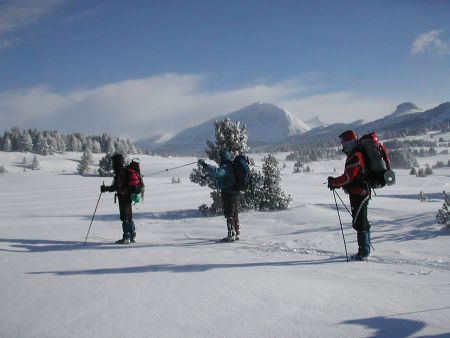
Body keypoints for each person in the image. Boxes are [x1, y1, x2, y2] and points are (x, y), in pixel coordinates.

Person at [327, 130, 371, 261]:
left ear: (349, 142)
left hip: (359, 193)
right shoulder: (357, 153)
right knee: (362, 220)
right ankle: (365, 248)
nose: (342, 145)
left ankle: (363, 252)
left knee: (359, 222)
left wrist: (334, 182)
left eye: (343, 142)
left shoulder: (355, 155)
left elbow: (348, 177)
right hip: (361, 191)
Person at [198, 150, 241, 241]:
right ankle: (236, 233)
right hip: (235, 193)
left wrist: (205, 165)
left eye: (220, 158)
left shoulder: (226, 167)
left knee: (229, 214)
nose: (219, 159)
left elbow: (217, 172)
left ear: (223, 158)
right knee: (234, 213)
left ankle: (231, 234)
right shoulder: (231, 166)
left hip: (228, 193)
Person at [100, 153, 137, 244]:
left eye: (113, 161)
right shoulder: (125, 170)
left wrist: (106, 188)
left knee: (124, 218)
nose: (112, 163)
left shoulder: (119, 171)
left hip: (123, 197)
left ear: (116, 162)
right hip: (128, 196)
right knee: (129, 217)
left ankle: (126, 238)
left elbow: (117, 186)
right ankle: (133, 236)